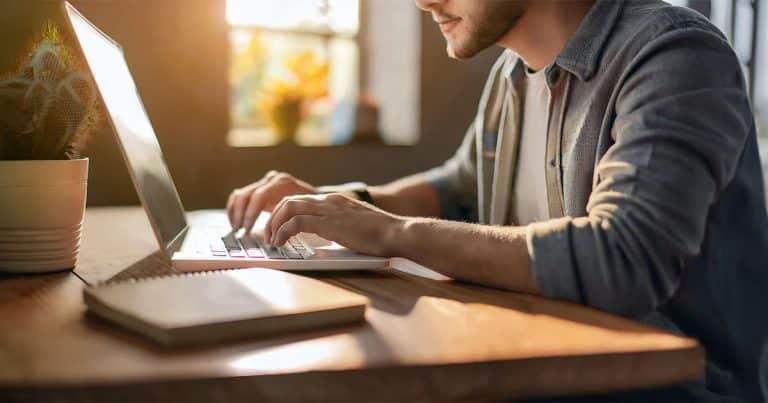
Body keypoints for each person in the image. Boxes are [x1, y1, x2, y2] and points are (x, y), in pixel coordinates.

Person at [226, 0, 768, 400]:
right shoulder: (510, 74)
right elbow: (459, 188)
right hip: (542, 365)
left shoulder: (675, 55)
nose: (424, 2)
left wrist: (390, 231)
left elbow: (621, 257)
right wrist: (339, 206)